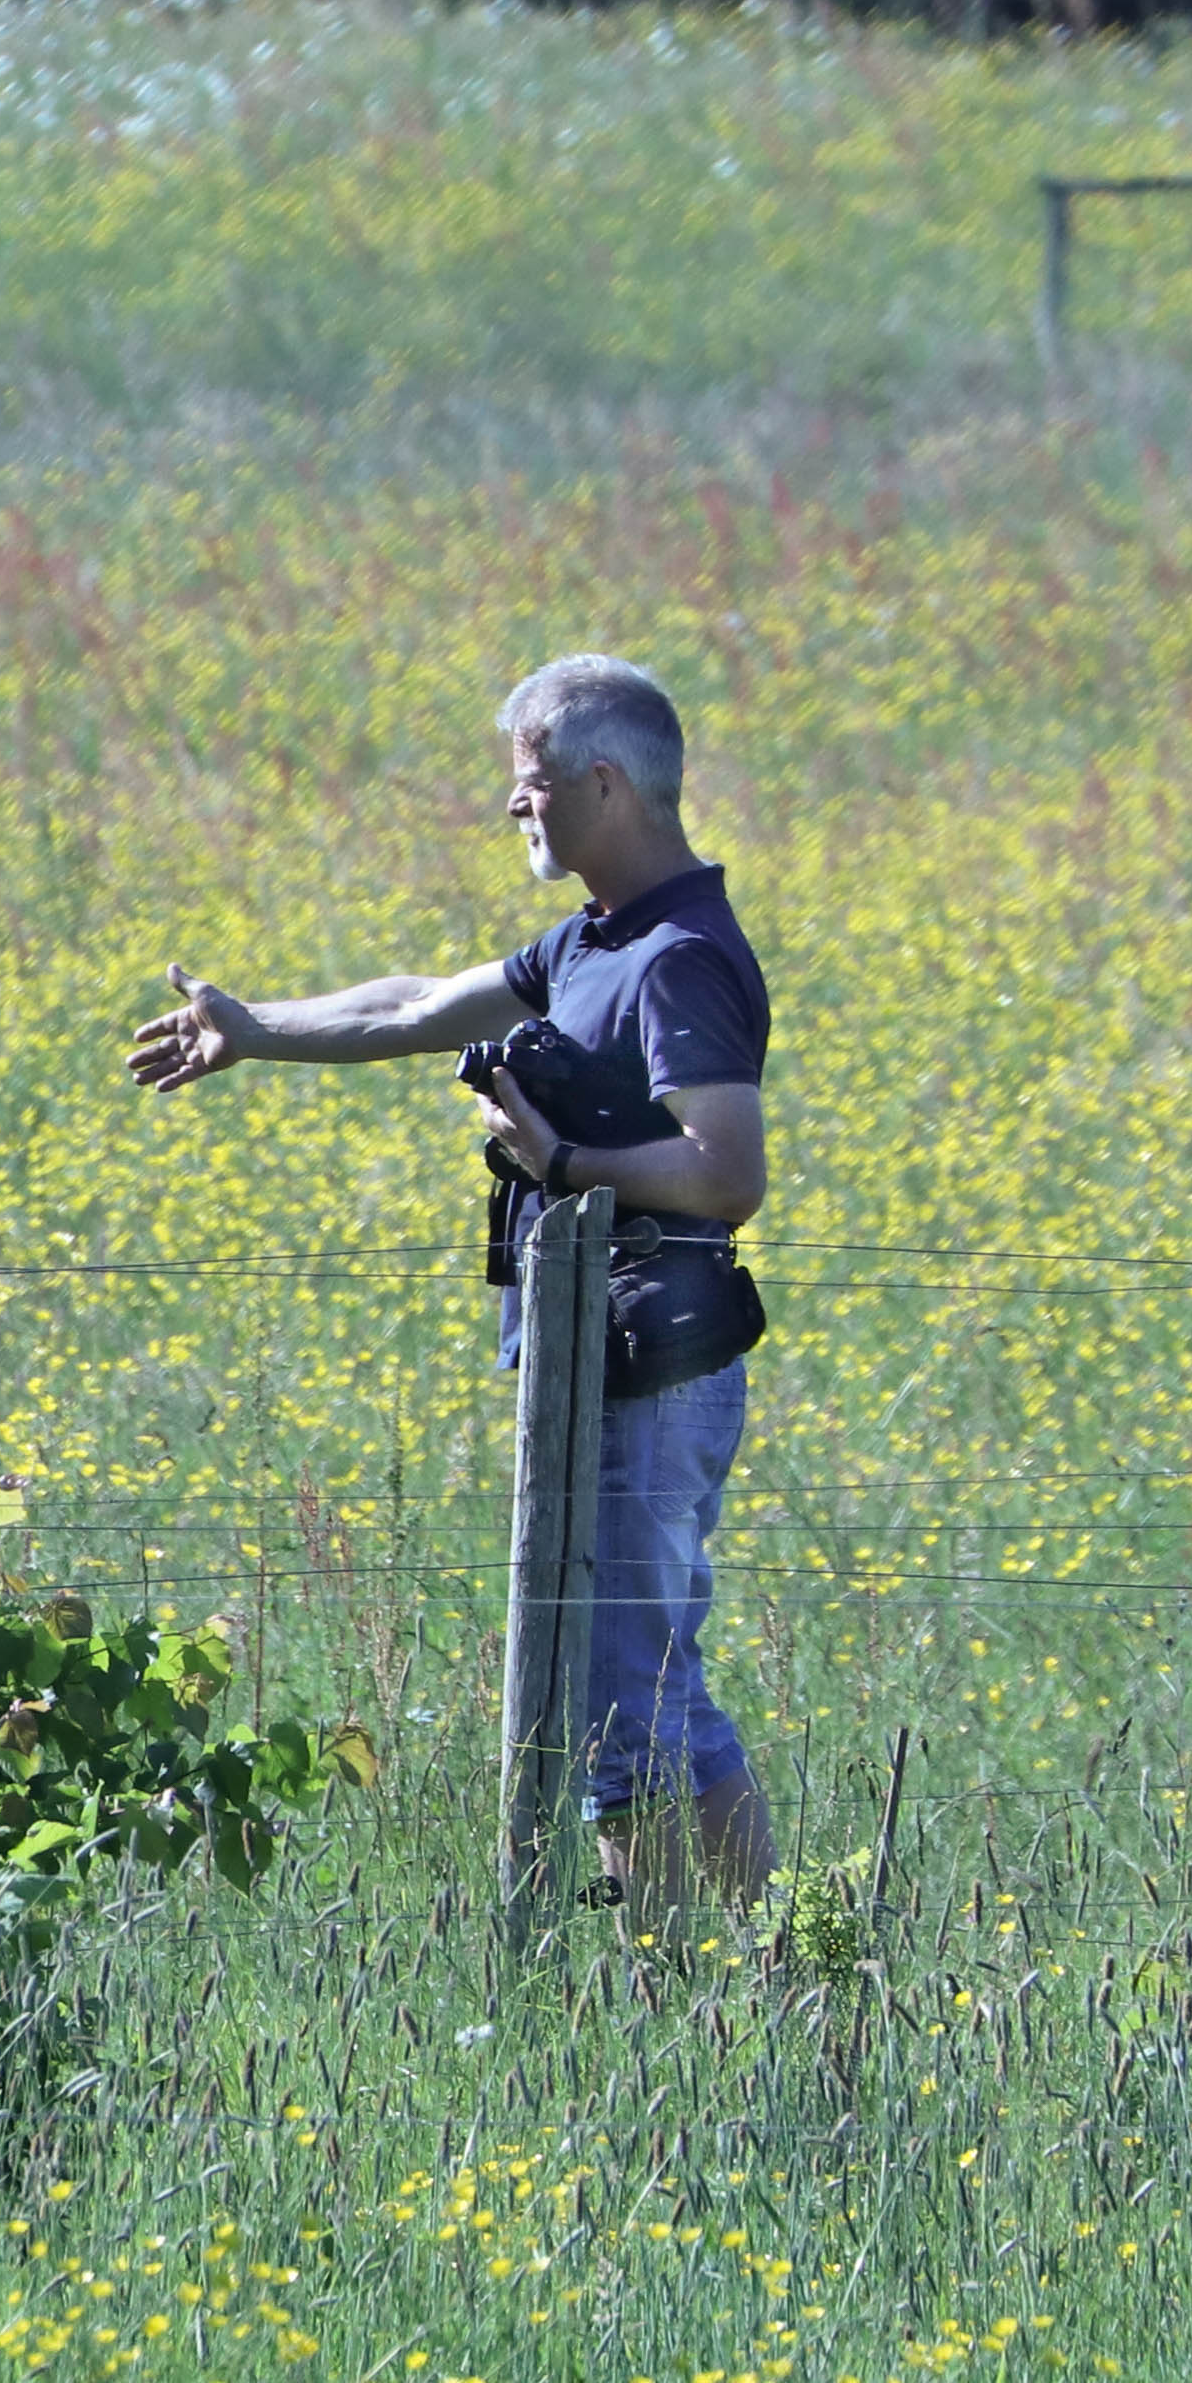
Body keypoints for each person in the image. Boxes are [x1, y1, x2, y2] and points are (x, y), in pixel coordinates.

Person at [123, 655, 775, 1902]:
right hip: (606, 1367)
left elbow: (726, 1173)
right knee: (636, 1691)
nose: (513, 807)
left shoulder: (679, 956)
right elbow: (412, 1003)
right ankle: (761, 1978)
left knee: (633, 1700)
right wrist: (254, 1028)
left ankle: (709, 1992)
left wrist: (568, 1157)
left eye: (529, 785)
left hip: (655, 1374)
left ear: (603, 782)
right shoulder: (596, 940)